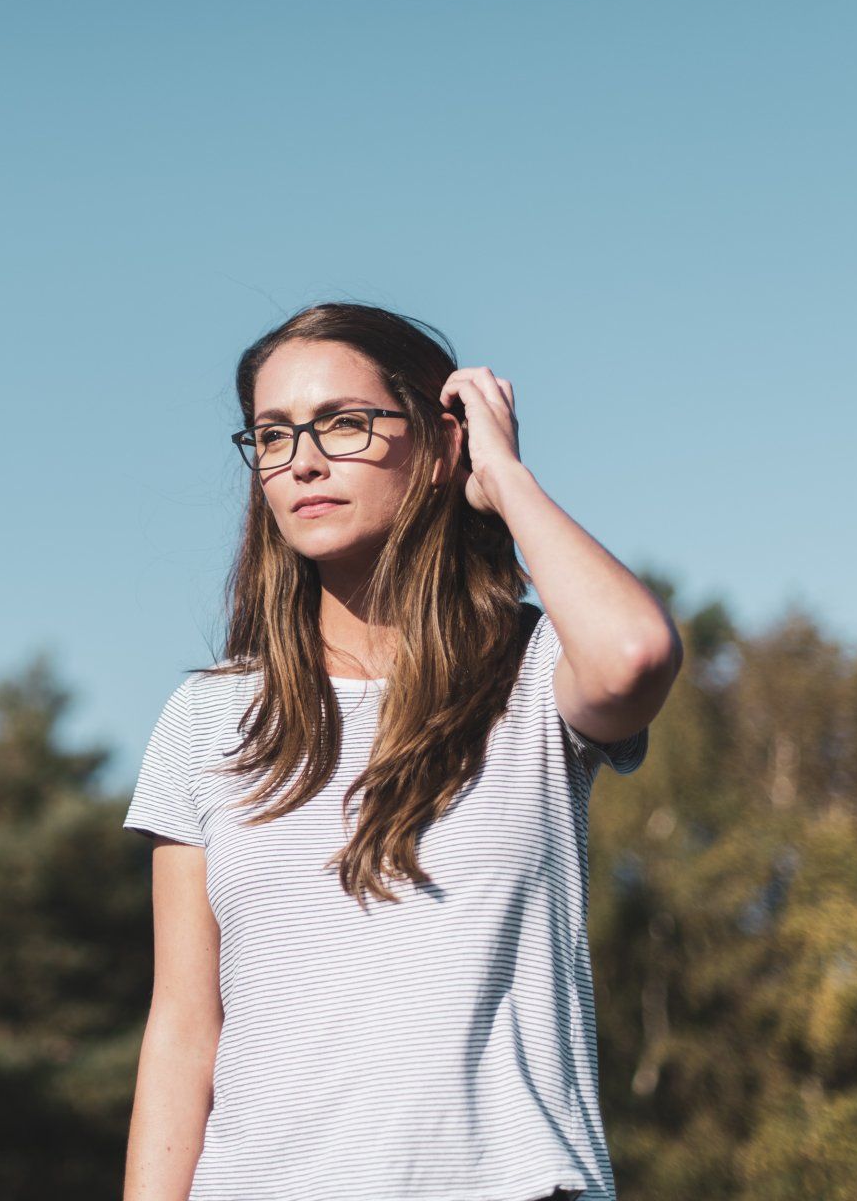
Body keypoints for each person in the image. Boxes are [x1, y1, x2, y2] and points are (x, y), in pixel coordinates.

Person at [119, 303, 682, 1201]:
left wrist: (500, 472)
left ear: (435, 447)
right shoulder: (208, 717)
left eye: (345, 423)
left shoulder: (534, 674)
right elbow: (185, 1028)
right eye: (272, 435)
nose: (302, 459)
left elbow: (634, 656)